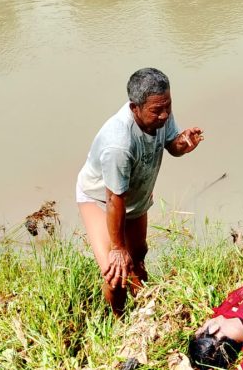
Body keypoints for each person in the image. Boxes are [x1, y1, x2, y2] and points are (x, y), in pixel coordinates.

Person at [77, 68, 204, 315]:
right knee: (116, 276)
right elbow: (114, 199)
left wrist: (181, 144)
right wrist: (117, 248)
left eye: (168, 106)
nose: (165, 115)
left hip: (133, 197)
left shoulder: (160, 111)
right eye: (157, 110)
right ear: (135, 108)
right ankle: (120, 320)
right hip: (101, 201)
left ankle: (144, 303)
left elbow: (170, 145)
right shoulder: (119, 144)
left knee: (139, 254)